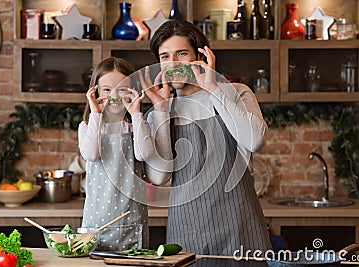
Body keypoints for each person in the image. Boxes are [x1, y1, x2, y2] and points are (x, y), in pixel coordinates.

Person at [142, 20, 272, 255]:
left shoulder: (237, 93)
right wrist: (160, 110)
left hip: (240, 225)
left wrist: (213, 87)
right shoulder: (162, 110)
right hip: (186, 230)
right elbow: (158, 176)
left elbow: (254, 141)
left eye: (181, 53)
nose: (172, 64)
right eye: (164, 56)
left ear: (200, 56)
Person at [78, 57, 152, 251]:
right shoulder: (88, 126)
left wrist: (136, 114)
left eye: (122, 89)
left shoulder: (136, 125)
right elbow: (92, 155)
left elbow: (143, 155)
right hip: (97, 222)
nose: (114, 96)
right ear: (95, 91)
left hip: (133, 219)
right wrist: (95, 113)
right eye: (107, 90)